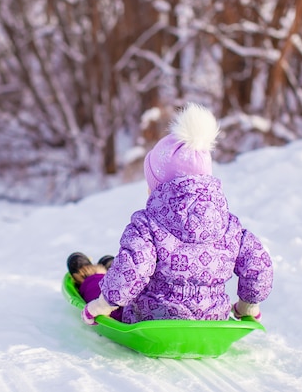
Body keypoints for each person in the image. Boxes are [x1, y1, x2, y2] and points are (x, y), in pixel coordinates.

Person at [66, 103, 273, 325]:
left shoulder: (148, 224)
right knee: (125, 276)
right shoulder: (229, 226)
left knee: (108, 287)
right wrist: (248, 306)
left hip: (150, 318)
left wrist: (101, 305)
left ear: (158, 187)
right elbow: (258, 263)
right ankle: (109, 269)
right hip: (212, 319)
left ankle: (92, 274)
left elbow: (134, 268)